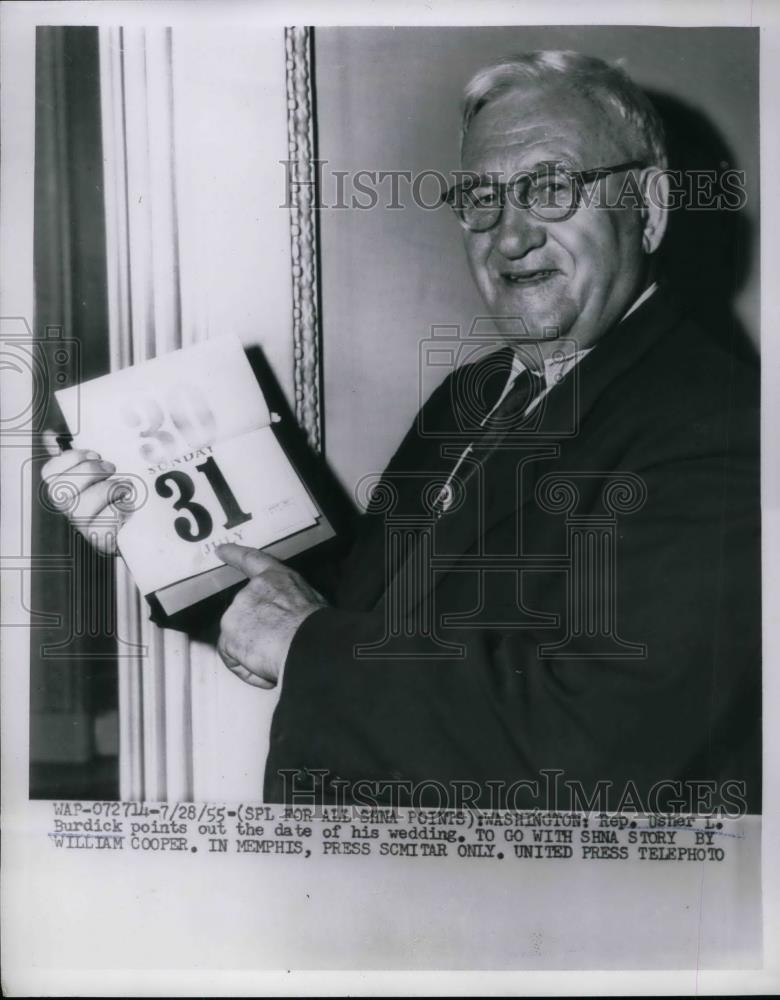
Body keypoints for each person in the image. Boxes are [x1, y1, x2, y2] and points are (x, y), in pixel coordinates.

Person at [42, 51, 760, 813]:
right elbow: (368, 606)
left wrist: (302, 645)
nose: (509, 236)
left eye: (550, 189)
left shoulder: (724, 423)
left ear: (648, 207)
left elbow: (596, 738)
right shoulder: (478, 392)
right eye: (480, 199)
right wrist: (157, 528)